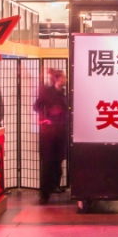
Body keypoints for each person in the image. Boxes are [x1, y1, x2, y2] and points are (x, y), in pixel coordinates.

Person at [33, 67, 69, 203]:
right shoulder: (47, 92)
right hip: (49, 133)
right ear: (56, 79)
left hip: (61, 132)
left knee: (58, 161)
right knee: (48, 162)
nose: (66, 79)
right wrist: (44, 118)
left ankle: (55, 185)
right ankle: (45, 194)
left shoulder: (64, 93)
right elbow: (36, 106)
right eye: (63, 77)